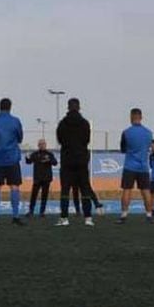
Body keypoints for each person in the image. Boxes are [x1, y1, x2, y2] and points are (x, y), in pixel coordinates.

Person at [55, 97, 95, 226]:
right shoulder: (85, 123)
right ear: (79, 107)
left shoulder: (62, 123)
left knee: (65, 190)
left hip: (67, 160)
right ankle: (88, 218)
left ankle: (64, 218)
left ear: (68, 107)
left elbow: (60, 140)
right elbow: (86, 140)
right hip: (81, 160)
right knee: (85, 189)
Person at [0, 98, 25, 225]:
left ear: (0, 107)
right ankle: (15, 216)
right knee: (14, 186)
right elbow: (20, 138)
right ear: (10, 107)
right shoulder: (15, 121)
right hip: (12, 157)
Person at [116, 108, 154, 224]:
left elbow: (123, 149)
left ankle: (124, 215)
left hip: (130, 166)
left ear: (131, 117)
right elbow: (148, 147)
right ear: (141, 117)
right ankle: (149, 215)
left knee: (127, 190)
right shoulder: (148, 133)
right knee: (146, 191)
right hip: (143, 166)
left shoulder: (126, 132)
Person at [25, 139, 58, 218]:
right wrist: (26, 157)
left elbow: (55, 163)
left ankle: (42, 212)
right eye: (40, 144)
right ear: (38, 145)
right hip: (37, 178)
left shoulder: (49, 154)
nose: (42, 145)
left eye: (43, 144)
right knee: (34, 195)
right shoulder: (35, 154)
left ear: (45, 145)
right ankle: (31, 211)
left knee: (44, 196)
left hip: (46, 178)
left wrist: (49, 160)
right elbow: (28, 162)